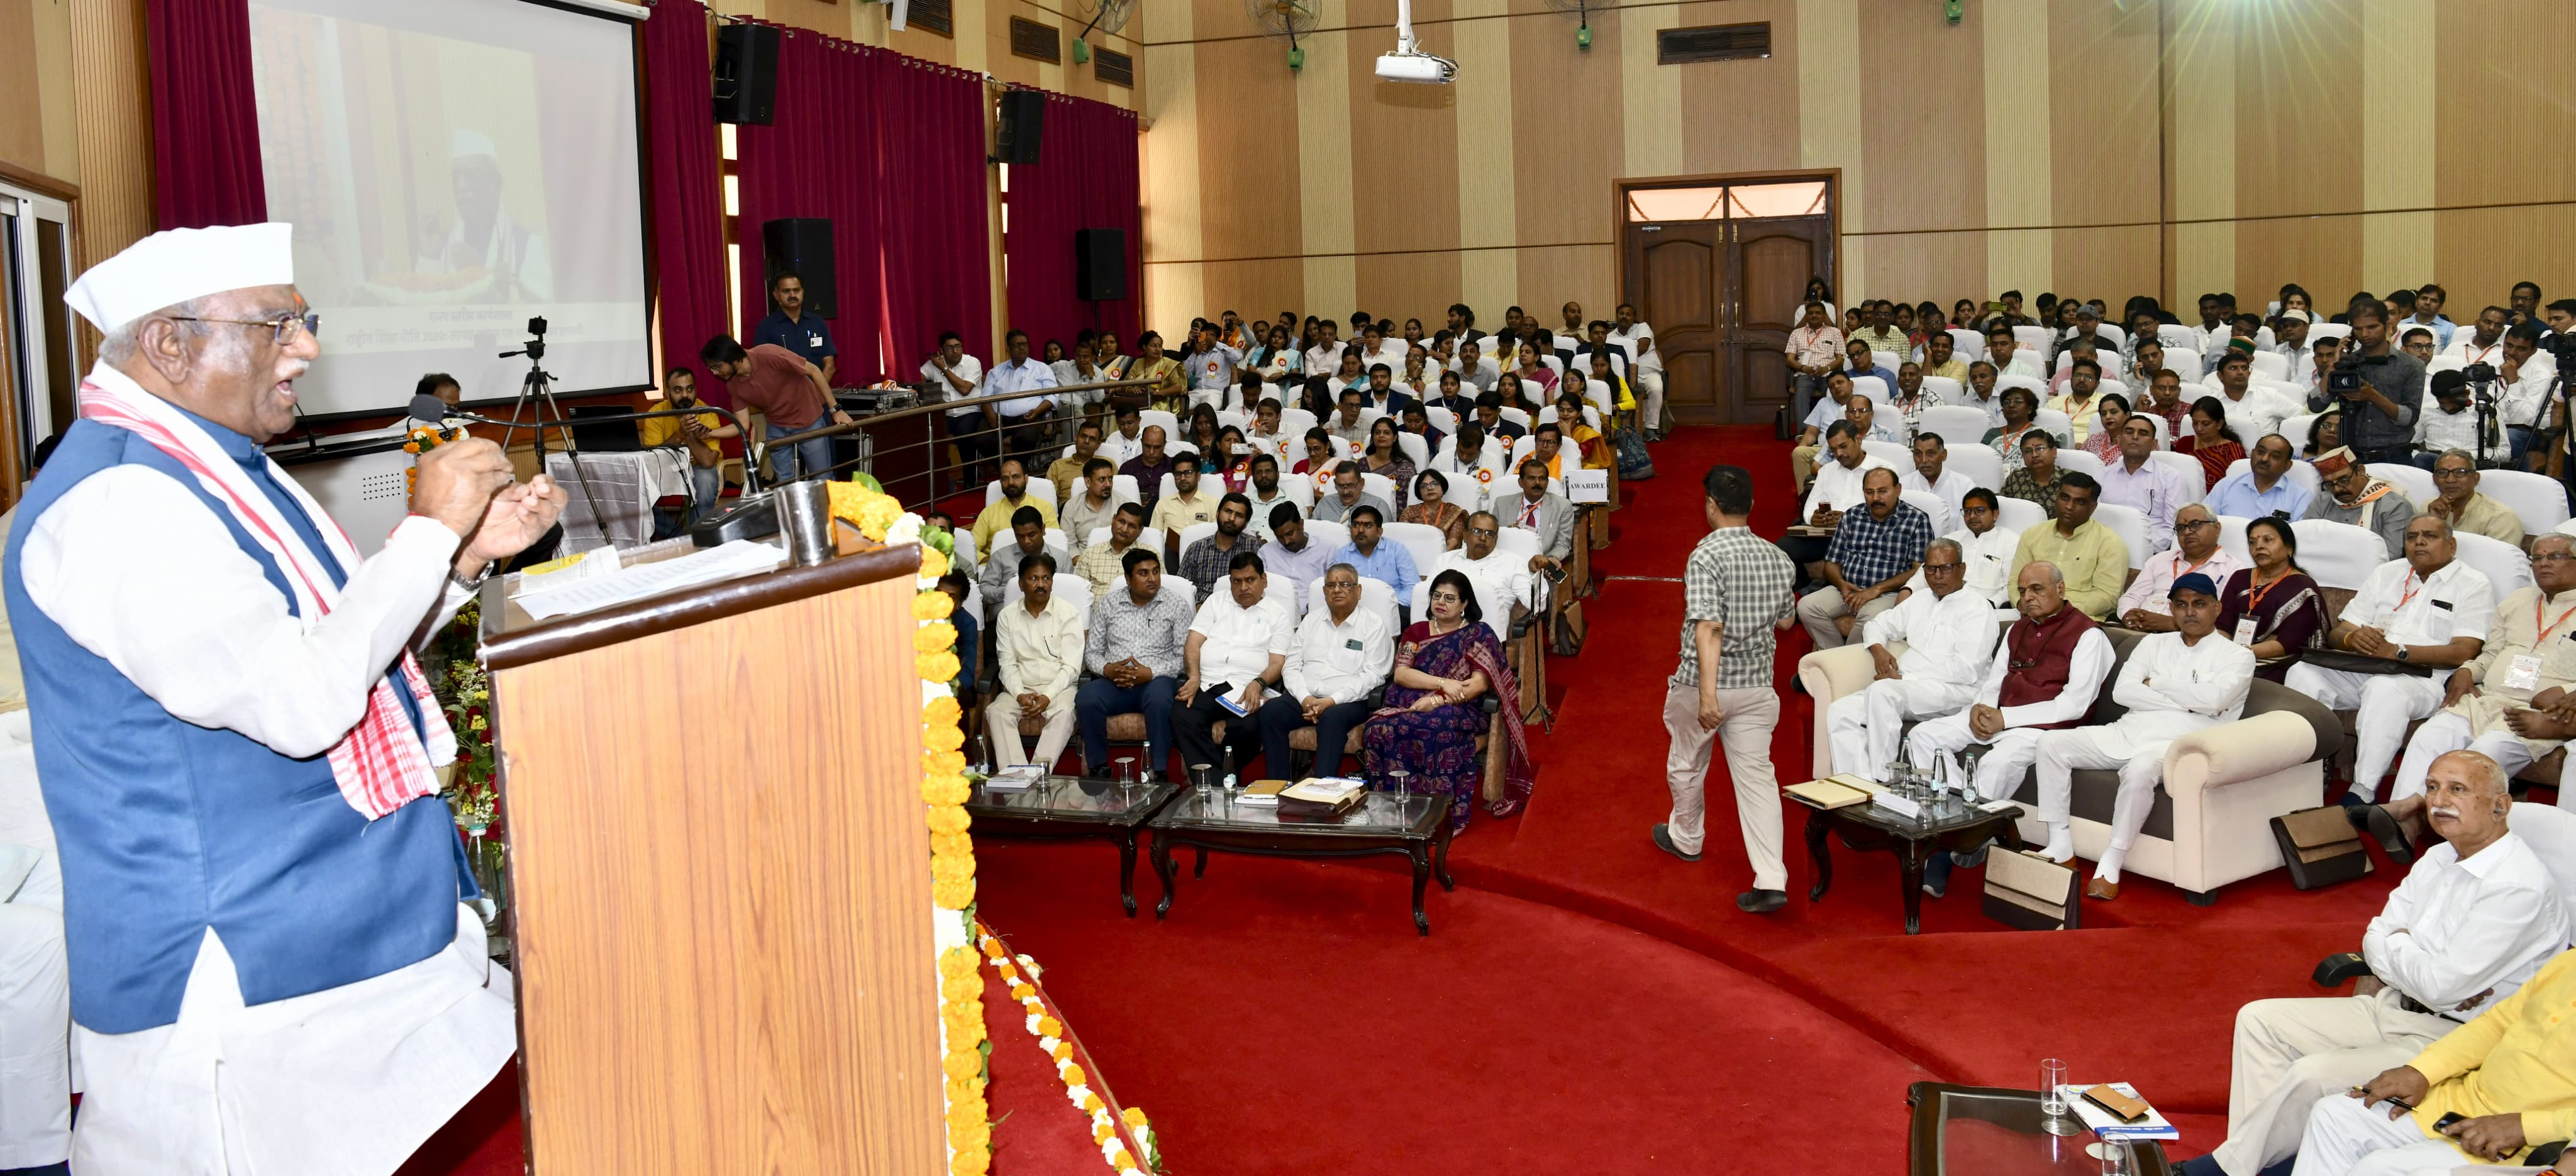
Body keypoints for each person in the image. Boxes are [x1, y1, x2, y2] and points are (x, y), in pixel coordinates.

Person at [16, 221, 565, 1170]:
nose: (307, 347)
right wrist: (428, 533)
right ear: (170, 343)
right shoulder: (117, 504)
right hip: (244, 967)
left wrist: (466, 556)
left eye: (301, 320)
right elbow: (300, 699)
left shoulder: (216, 464)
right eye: (277, 326)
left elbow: (338, 651)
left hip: (338, 928)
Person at [2175, 750, 2569, 1176]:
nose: (2439, 801)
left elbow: (2440, 986)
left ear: (2500, 805)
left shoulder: (2518, 887)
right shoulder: (2439, 857)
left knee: (2312, 1075)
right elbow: (2376, 936)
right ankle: (2259, 1161)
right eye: (2432, 787)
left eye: (2458, 790)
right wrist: (2408, 955)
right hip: (2392, 1005)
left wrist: (2399, 947)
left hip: (2447, 1034)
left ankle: (2228, 1169)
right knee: (2260, 1020)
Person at [2032, 573, 2254, 899]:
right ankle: (2061, 845)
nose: (2190, 612)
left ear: (2218, 608)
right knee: (2050, 744)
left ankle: (2112, 860)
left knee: (2139, 769)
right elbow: (2123, 693)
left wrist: (2157, 683)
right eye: (2181, 605)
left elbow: (2215, 701)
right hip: (2128, 731)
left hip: (2180, 745)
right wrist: (2192, 700)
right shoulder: (2152, 643)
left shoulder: (2238, 656)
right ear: (2172, 609)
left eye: (2199, 604)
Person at [2294, 935, 2576, 1172]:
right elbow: (2498, 1024)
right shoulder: (2568, 963)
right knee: (2334, 1116)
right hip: (2460, 1104)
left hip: (2527, 1146)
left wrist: (2530, 1126)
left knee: (2379, 1169)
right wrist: (2422, 1071)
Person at [1654, 465, 1801, 913]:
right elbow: (1787, 621)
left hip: (1707, 684)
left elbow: (1710, 628)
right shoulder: (1779, 558)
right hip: (1758, 686)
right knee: (1758, 779)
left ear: (1711, 506)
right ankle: (1772, 876)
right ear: (1752, 506)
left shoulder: (1706, 556)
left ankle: (1688, 837)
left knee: (1686, 763)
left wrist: (1708, 695)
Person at [1908, 560, 2116, 857]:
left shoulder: (2088, 635)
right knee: (1923, 736)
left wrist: (2005, 718)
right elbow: (1995, 680)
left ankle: (1960, 835)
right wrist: (1982, 708)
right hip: (2000, 717)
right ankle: (1962, 820)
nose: (2028, 597)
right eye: (2022, 591)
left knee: (1997, 763)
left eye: (2037, 589)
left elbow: (2074, 705)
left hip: (2043, 731)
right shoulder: (2017, 629)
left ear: (2060, 588)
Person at [2286, 514, 2496, 806]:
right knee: (2304, 672)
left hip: (2425, 679)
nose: (2419, 542)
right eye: (2412, 537)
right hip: (2367, 666)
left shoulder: (2473, 583)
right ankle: (2298, 772)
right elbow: (2340, 631)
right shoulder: (2387, 573)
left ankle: (2363, 791)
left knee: (2385, 689)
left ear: (2452, 545)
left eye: (2430, 536)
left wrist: (2399, 651)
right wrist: (2352, 639)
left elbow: (2464, 651)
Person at [2375, 533, 2576, 833]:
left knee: (2485, 752)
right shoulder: (2518, 600)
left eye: (2556, 557)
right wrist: (2468, 670)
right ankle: (2406, 827)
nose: (2544, 564)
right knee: (2431, 736)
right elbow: (2491, 653)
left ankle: (2413, 809)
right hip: (2488, 699)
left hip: (2533, 716)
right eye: (2538, 558)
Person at [1361, 569, 1534, 831]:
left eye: (1450, 598)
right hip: (1411, 701)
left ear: (1465, 604)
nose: (1440, 602)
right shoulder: (1416, 632)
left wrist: (1438, 700)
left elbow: (1479, 684)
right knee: (1377, 729)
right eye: (1437, 596)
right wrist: (1442, 683)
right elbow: (1402, 673)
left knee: (1436, 727)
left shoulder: (1479, 634)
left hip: (1460, 707)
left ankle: (1442, 815)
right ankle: (1392, 810)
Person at [1826, 538, 1999, 784]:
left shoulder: (1977, 608)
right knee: (1840, 711)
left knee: (1884, 691)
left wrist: (1905, 678)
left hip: (1957, 690)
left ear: (1962, 568)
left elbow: (1966, 670)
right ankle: (1859, 786)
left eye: (1946, 568)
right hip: (1909, 687)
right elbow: (1878, 624)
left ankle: (1886, 779)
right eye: (1930, 569)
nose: (1938, 576)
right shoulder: (1920, 600)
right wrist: (1878, 650)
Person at [1258, 564, 1393, 778]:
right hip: (1305, 697)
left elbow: (1373, 676)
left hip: (1350, 702)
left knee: (1332, 718)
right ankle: (1279, 786)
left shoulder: (1374, 626)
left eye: (1345, 585)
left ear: (1358, 591)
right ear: (1324, 592)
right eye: (1331, 585)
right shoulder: (1311, 621)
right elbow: (1291, 666)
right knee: (1271, 712)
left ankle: (1321, 789)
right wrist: (1305, 698)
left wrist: (1332, 700)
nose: (1337, 590)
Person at [1076, 548, 1196, 776]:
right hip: (1115, 682)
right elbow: (1092, 653)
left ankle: (1159, 771)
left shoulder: (1176, 605)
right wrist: (1108, 669)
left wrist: (1150, 673)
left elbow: (1183, 657)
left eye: (1156, 572)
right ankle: (1098, 767)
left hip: (1156, 681)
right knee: (1086, 698)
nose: (1152, 578)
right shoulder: (1109, 605)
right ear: (1129, 579)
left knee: (1160, 699)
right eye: (1143, 573)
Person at [1170, 552, 1292, 776]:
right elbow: (1193, 644)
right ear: (1230, 582)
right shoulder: (1215, 602)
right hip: (1208, 682)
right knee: (1182, 714)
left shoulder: (1278, 614)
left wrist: (1258, 683)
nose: (1244, 587)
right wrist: (1194, 677)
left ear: (1264, 580)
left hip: (1246, 687)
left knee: (1249, 727)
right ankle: (1218, 781)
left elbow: (1278, 662)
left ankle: (1219, 777)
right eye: (1237, 581)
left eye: (1250, 580)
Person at [1798, 468, 1934, 651]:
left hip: (1888, 592)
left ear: (1898, 490)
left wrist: (1876, 590)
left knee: (1870, 620)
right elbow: (1832, 563)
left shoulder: (1916, 520)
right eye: (1870, 492)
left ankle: (1845, 664)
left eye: (1883, 491)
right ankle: (1835, 657)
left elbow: (1920, 570)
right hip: (1848, 589)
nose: (1876, 498)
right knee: (1807, 607)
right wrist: (1841, 584)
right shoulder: (1852, 516)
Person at [701, 334, 848, 484]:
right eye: (711, 369)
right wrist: (709, 433)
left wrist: (836, 410)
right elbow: (742, 425)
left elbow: (814, 371)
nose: (714, 373)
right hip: (777, 426)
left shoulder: (769, 354)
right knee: (784, 481)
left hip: (809, 419)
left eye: (717, 367)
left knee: (822, 478)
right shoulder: (733, 384)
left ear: (732, 358)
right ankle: (792, 508)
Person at [987, 552, 1084, 770]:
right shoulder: (1007, 616)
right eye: (1033, 579)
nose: (1041, 585)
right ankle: (1017, 776)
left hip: (1059, 689)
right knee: (996, 712)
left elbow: (1071, 667)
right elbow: (1007, 663)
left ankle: (1038, 775)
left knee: (1066, 713)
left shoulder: (1068, 614)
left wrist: (1047, 697)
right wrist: (1020, 694)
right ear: (1021, 584)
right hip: (1020, 689)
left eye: (1046, 578)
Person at [2214, 514, 2331, 685]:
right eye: (2253, 542)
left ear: (2289, 548)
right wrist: (2223, 652)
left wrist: (2242, 654)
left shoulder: (2302, 587)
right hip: (2231, 656)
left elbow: (2288, 643)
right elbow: (2222, 625)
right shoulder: (2240, 578)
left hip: (2278, 664)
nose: (2259, 546)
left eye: (2268, 540)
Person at [2309, 303, 2426, 467]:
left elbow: (2410, 417)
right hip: (2353, 456)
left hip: (2396, 456)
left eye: (2372, 327)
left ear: (2386, 325)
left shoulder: (2411, 365)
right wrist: (2333, 367)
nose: (2365, 334)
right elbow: (2315, 405)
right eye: (2358, 329)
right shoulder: (2347, 363)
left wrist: (2372, 395)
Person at [2009, 473, 2126, 620]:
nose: (2070, 506)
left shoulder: (2110, 543)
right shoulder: (2032, 535)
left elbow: (2107, 596)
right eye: (2065, 498)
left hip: (2080, 620)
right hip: (2028, 615)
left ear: (2093, 507)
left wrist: (2057, 610)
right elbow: (2015, 581)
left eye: (2080, 502)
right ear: (2056, 498)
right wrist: (2023, 604)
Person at [636, 365, 738, 525]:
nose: (685, 395)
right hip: (666, 470)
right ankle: (679, 537)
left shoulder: (707, 412)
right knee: (637, 489)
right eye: (678, 390)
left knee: (706, 478)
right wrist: (680, 434)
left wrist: (689, 432)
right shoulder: (656, 414)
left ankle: (698, 534)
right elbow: (653, 459)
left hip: (697, 468)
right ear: (668, 393)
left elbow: (708, 462)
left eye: (689, 389)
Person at [2118, 504, 2243, 631]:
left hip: (2187, 638)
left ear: (2217, 528)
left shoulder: (2234, 570)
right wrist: (2129, 615)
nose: (2187, 532)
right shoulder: (2159, 560)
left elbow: (2225, 617)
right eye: (2181, 528)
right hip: (2138, 629)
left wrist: (2172, 624)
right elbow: (2132, 597)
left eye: (2196, 524)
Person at [2307, 447, 2418, 561]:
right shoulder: (2322, 501)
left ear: (2361, 471)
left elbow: (2391, 556)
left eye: (2344, 481)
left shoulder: (2395, 506)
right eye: (2330, 485)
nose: (2338, 490)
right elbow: (2306, 541)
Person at [1434, 511, 1536, 636]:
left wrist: (1537, 573)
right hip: (1441, 635)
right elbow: (1428, 598)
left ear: (1496, 540)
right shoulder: (1445, 560)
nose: (1483, 538)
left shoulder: (1513, 562)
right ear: (1465, 536)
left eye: (1490, 534)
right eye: (1477, 531)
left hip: (1485, 640)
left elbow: (1534, 603)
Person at [2097, 414, 2188, 552]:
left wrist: (2140, 551)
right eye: (2129, 432)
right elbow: (2095, 518)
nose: (2135, 437)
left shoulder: (2171, 477)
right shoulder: (2103, 475)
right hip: (2104, 550)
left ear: (2154, 444)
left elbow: (2173, 528)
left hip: (2150, 553)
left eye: (2143, 433)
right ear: (2120, 440)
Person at [922, 330, 992, 487]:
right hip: (945, 414)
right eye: (949, 348)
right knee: (930, 432)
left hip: (970, 411)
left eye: (958, 346)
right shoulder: (934, 364)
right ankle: (940, 481)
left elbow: (965, 389)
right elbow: (917, 378)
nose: (955, 351)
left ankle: (970, 481)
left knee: (964, 433)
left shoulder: (972, 362)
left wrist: (944, 369)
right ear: (941, 351)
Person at [984, 329, 1061, 463]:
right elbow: (984, 398)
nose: (1022, 348)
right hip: (998, 417)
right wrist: (990, 414)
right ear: (1008, 348)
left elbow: (1052, 395)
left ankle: (1018, 470)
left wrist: (1038, 411)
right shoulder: (996, 371)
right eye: (1017, 345)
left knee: (1024, 438)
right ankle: (1005, 467)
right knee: (981, 438)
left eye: (1024, 344)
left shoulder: (1041, 368)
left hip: (1029, 416)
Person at [2422, 448, 2526, 547]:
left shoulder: (2501, 517)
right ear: (2435, 480)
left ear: (2476, 478)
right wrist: (2434, 522)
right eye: (2442, 473)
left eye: (2460, 473)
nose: (2450, 480)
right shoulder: (2428, 508)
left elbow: (2499, 562)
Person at [750, 270, 837, 385]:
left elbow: (830, 366)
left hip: (818, 397)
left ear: (802, 292)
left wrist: (817, 394)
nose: (792, 295)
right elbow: (763, 369)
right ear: (776, 295)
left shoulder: (817, 323)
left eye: (796, 290)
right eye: (786, 291)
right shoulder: (766, 327)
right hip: (784, 399)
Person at [2207, 430, 2313, 520]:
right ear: (2253, 454)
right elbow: (2203, 521)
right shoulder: (2225, 486)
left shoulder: (2300, 496)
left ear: (2287, 466)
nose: (2265, 459)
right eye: (2261, 452)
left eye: (2275, 456)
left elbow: (2300, 537)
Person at [2211, 347, 2306, 446]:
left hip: (2265, 456)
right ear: (2220, 376)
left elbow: (2301, 417)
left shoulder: (2269, 396)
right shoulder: (2213, 402)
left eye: (2244, 368)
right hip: (2225, 455)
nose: (2240, 372)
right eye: (2233, 368)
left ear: (2249, 373)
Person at [969, 457, 1060, 558]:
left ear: (1026, 479)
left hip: (1037, 565)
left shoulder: (1045, 508)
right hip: (999, 570)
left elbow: (1054, 544)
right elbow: (971, 548)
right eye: (1005, 478)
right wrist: (991, 562)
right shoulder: (988, 513)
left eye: (1016, 477)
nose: (1011, 482)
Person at [1330, 505, 1419, 606]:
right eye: (1356, 525)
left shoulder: (1396, 550)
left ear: (1379, 532)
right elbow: (1336, 588)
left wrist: (1394, 608)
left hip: (1394, 609)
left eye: (1368, 526)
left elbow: (1412, 587)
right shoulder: (1342, 555)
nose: (1360, 530)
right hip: (1355, 611)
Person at [1259, 507, 1336, 618]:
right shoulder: (1266, 553)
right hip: (1274, 618)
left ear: (1301, 524)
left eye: (1290, 533)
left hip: (1318, 616)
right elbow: (1261, 591)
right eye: (1280, 537)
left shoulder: (1327, 549)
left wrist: (1313, 615)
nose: (1286, 541)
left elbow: (1334, 588)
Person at [1504, 458, 1575, 577]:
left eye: (1542, 479)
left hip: (1540, 568)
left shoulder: (1563, 506)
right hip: (1507, 566)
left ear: (1547, 482)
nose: (1537, 483)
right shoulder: (1502, 503)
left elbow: (1563, 543)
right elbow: (1494, 537)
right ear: (1521, 482)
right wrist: (1508, 531)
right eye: (1532, 478)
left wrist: (1552, 558)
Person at [1179, 494, 1255, 604]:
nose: (1231, 519)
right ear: (1217, 514)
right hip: (1203, 609)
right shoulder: (1196, 549)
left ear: (1246, 524)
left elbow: (1259, 587)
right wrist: (1198, 606)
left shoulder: (1253, 547)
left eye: (1239, 515)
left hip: (1240, 610)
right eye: (1228, 511)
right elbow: (1182, 589)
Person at [1792, 372, 1861, 487]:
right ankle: (1806, 496)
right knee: (1799, 453)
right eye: (1832, 386)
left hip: (1849, 448)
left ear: (1851, 384)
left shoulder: (1860, 404)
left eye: (1840, 382)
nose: (1836, 387)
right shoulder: (1823, 403)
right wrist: (1802, 447)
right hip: (1822, 449)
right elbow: (1811, 433)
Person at [1900, 433, 1974, 535]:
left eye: (1931, 454)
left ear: (1944, 455)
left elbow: (1966, 533)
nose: (1924, 460)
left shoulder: (1965, 486)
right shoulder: (1902, 486)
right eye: (1918, 454)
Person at [978, 508, 1053, 608]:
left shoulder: (1061, 558)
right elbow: (983, 591)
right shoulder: (1000, 557)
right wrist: (1010, 589)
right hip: (1005, 617)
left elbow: (1069, 592)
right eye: (1021, 536)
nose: (1026, 541)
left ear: (1043, 530)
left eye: (1031, 535)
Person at [1070, 503, 1149, 596]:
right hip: (1098, 609)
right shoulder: (1090, 554)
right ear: (1114, 519)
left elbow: (1160, 592)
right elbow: (1078, 594)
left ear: (1141, 530)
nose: (1124, 529)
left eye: (1132, 526)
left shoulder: (1150, 555)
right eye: (1121, 522)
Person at [1150, 462, 1219, 567]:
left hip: (1204, 557)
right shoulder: (1163, 504)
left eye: (1188, 473)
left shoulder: (1213, 503)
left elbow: (1218, 538)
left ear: (1198, 476)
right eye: (1178, 474)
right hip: (1172, 557)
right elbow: (1154, 539)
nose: (1182, 478)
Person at [1786, 301, 1845, 420]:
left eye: (1818, 313)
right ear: (1806, 316)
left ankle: (1830, 429)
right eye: (1811, 313)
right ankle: (1803, 433)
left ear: (1824, 316)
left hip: (1827, 374)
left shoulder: (1835, 332)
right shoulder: (1796, 333)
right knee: (1801, 393)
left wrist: (1827, 368)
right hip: (1804, 374)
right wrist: (1803, 368)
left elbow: (1840, 359)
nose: (1814, 316)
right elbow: (1790, 360)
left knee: (1832, 391)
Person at [1059, 457, 1121, 553]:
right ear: (1088, 482)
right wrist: (1084, 563)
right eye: (1102, 480)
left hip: (1117, 560)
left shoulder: (1123, 504)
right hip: (1083, 560)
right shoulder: (1072, 507)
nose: (1108, 484)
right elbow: (1069, 545)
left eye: (1110, 479)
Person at [2001, 430, 2068, 519]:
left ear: (2054, 452)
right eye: (2028, 451)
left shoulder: (2070, 480)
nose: (2034, 455)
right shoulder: (2016, 477)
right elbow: (2004, 509)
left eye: (2040, 449)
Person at [1985, 387, 2050, 474]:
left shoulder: (2042, 434)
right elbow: (1982, 461)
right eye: (2006, 403)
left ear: (2030, 409)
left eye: (2018, 402)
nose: (2011, 405)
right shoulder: (1992, 434)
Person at [1402, 468, 1470, 550]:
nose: (1430, 488)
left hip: (1446, 559)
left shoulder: (1454, 512)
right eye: (1424, 486)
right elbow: (1403, 540)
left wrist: (1435, 558)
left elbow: (1454, 543)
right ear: (1419, 492)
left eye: (1434, 484)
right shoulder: (1410, 512)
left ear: (1443, 488)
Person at [1313, 462, 1395, 528]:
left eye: (1351, 486)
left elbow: (1386, 539)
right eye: (1341, 486)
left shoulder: (1378, 505)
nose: (1345, 492)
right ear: (1335, 484)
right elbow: (1312, 533)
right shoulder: (1325, 503)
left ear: (1362, 483)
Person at [1360, 418, 1416, 510]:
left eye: (1386, 433)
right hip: (1364, 511)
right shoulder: (1362, 463)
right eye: (1377, 433)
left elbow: (1403, 501)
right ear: (1373, 437)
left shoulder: (1405, 468)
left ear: (1395, 437)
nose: (1381, 436)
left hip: (1394, 514)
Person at [1119, 425, 1177, 516]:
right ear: (1142, 442)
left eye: (1157, 447)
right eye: (1147, 446)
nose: (1151, 452)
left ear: (1165, 444)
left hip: (1169, 514)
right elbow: (1120, 500)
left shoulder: (1175, 467)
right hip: (1135, 517)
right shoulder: (1127, 469)